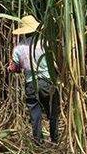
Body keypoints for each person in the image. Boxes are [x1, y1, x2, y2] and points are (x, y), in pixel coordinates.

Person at [8, 15, 60, 145]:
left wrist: (11, 69)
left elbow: (14, 68)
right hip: (48, 82)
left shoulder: (18, 48)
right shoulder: (45, 43)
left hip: (31, 83)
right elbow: (56, 61)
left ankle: (38, 141)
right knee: (52, 112)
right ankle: (55, 139)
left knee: (35, 113)